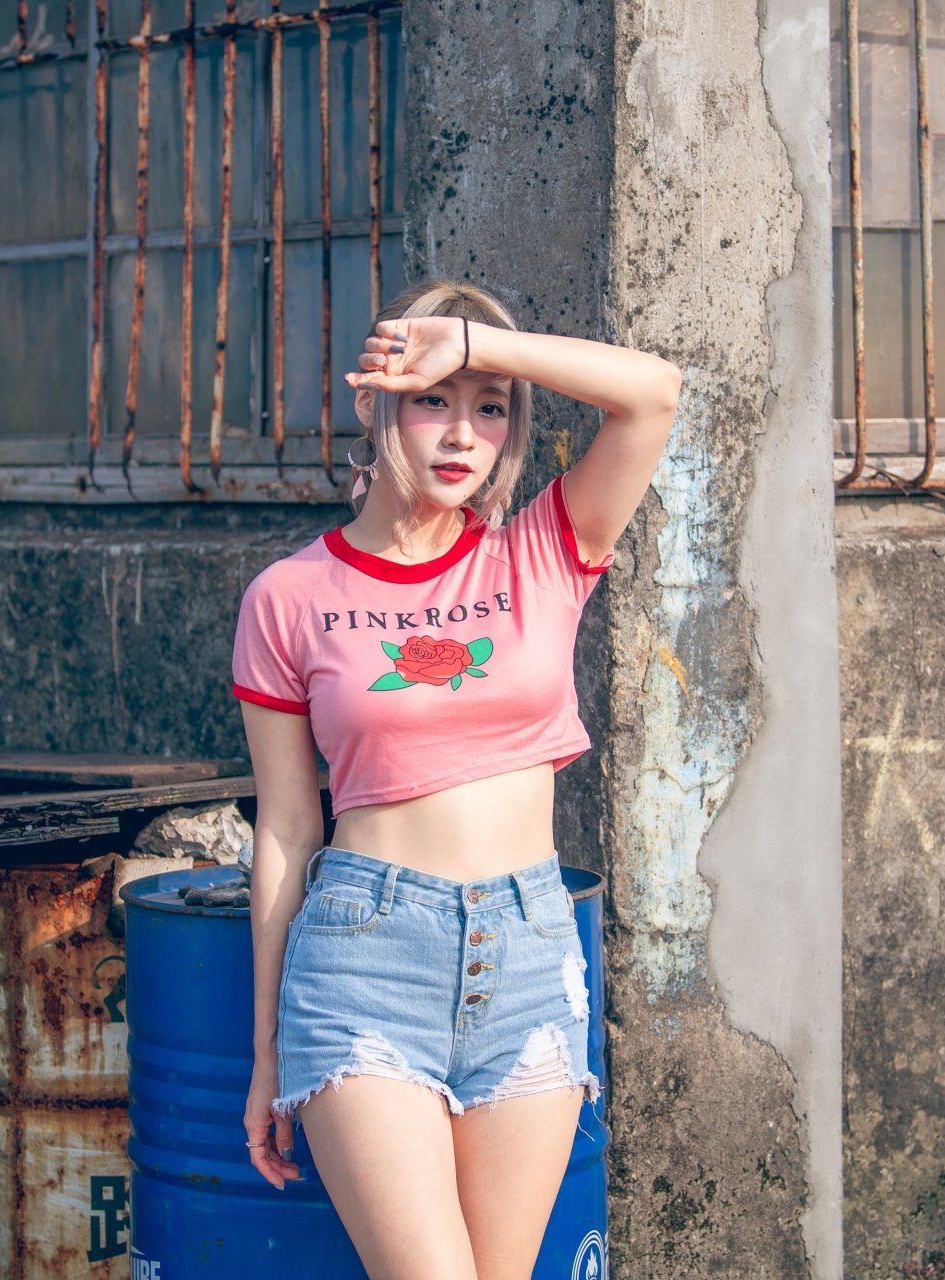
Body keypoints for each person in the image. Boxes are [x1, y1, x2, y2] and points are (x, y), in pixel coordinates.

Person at [233, 277, 682, 1279]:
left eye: (489, 409)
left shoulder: (545, 553)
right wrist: (264, 1050)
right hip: (364, 955)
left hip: (527, 951)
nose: (459, 434)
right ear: (375, 401)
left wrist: (473, 344)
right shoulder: (289, 597)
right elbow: (286, 831)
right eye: (433, 399)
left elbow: (653, 393)